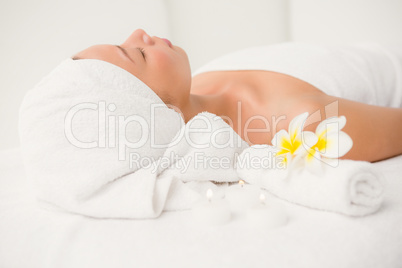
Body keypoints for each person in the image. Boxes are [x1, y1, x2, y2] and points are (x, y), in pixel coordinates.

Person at [72, 29, 402, 163]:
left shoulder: (197, 86)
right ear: (158, 112)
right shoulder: (297, 125)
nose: (138, 34)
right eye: (137, 53)